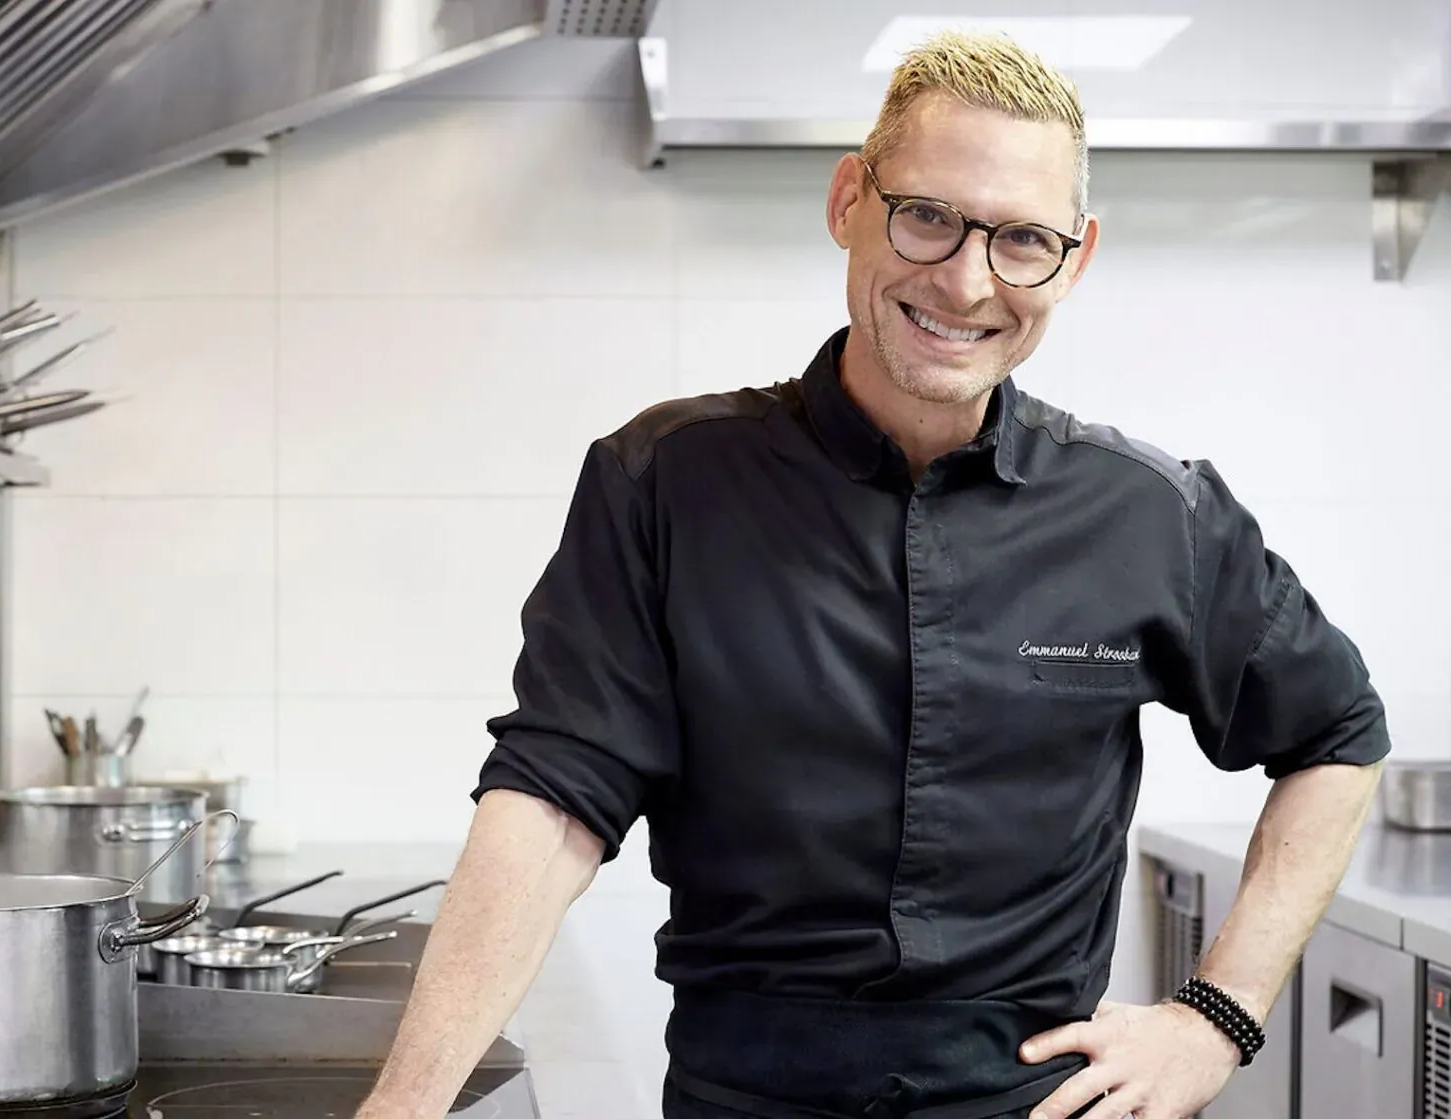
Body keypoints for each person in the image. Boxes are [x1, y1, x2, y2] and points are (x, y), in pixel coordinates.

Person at [354, 28, 1389, 1119]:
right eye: (929, 215)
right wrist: (406, 1107)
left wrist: (1215, 1019)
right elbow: (554, 799)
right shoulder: (663, 482)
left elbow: (1335, 733)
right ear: (851, 198)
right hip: (743, 1098)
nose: (967, 280)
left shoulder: (1148, 512)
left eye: (1023, 239)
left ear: (1075, 259)